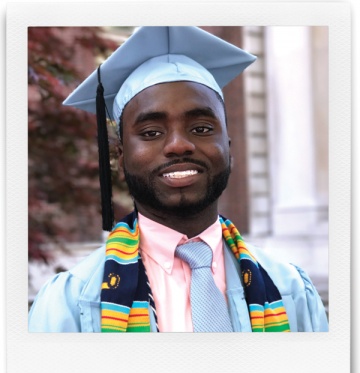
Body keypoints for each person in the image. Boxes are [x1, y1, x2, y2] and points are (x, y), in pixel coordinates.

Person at [28, 26, 328, 333]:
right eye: (151, 133)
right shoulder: (70, 304)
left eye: (200, 128)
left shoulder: (290, 291)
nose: (178, 145)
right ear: (121, 158)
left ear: (229, 148)